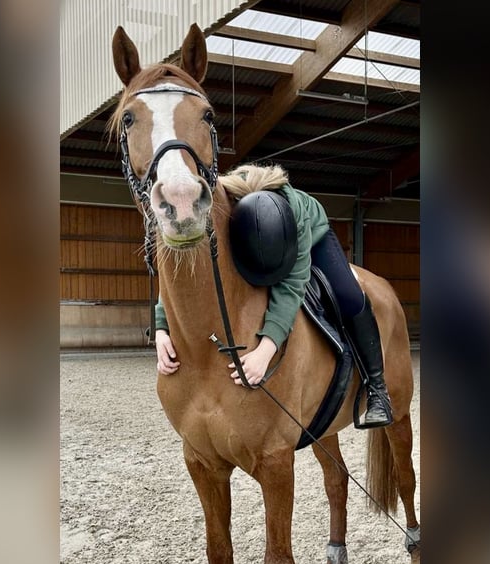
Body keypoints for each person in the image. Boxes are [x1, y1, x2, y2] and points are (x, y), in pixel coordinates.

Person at [154, 166, 392, 428]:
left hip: (309, 235)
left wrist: (266, 351)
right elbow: (184, 271)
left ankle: (377, 390)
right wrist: (162, 327)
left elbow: (292, 284)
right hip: (242, 241)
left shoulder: (296, 213)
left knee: (350, 297)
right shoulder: (217, 207)